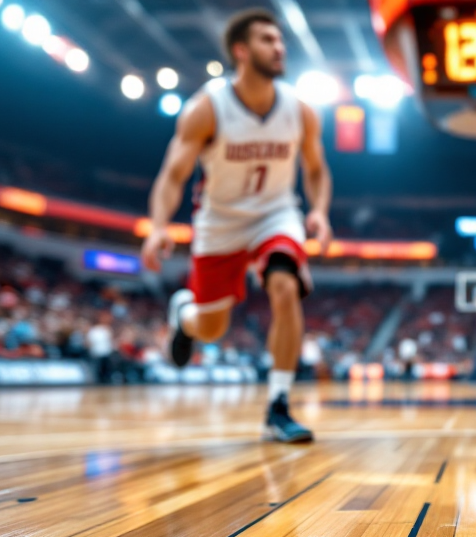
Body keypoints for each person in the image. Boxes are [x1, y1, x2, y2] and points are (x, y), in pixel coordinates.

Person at [141, 7, 332, 443]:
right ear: (241, 51)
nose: (279, 46)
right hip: (220, 221)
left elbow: (317, 169)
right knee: (212, 328)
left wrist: (318, 210)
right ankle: (184, 316)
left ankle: (278, 406)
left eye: (280, 39)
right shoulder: (207, 109)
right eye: (268, 39)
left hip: (276, 213)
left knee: (286, 287)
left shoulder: (300, 110)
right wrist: (157, 227)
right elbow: (173, 175)